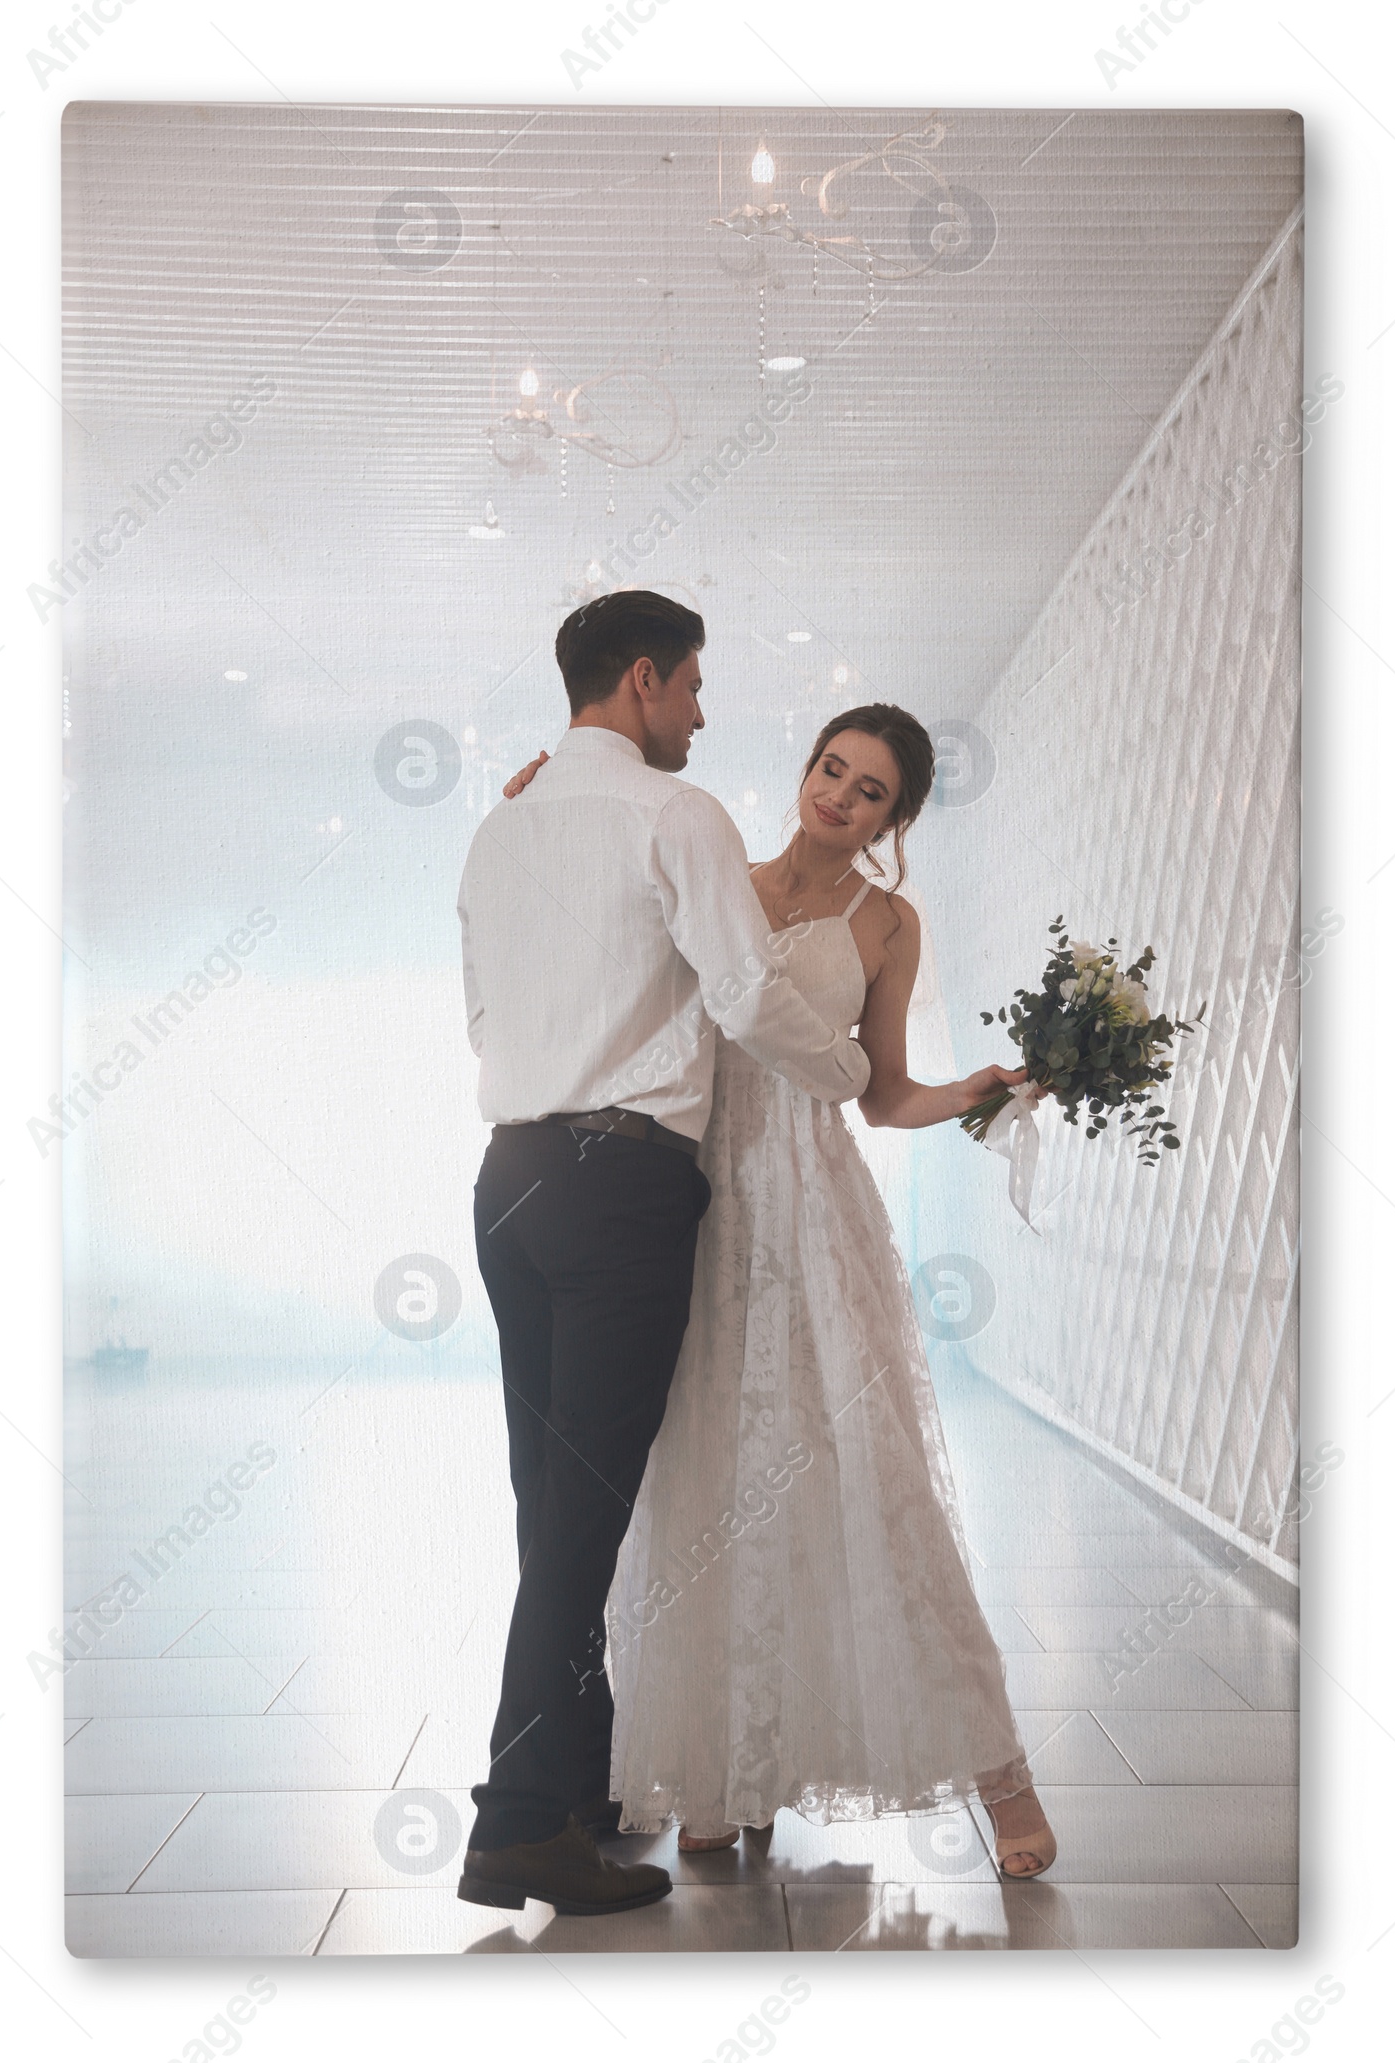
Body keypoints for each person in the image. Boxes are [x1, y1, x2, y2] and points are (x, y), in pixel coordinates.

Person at [503, 704, 1057, 1878]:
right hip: (690, 1197)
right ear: (804, 766)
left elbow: (881, 1092)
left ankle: (998, 1776)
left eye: (868, 792)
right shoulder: (715, 868)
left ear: (894, 822)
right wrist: (532, 811)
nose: (837, 797)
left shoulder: (887, 922)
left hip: (812, 1207)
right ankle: (725, 1765)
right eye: (829, 769)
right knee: (704, 1476)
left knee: (871, 1472)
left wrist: (978, 1090)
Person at [454, 591, 876, 1917]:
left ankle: (577, 1790)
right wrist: (852, 1065)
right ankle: (517, 1822)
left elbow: (480, 1005)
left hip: (510, 1176)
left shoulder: (499, 826)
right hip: (620, 1182)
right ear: (641, 680)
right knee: (581, 1518)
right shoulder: (677, 816)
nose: (701, 709)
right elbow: (748, 992)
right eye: (693, 684)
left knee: (550, 1502)